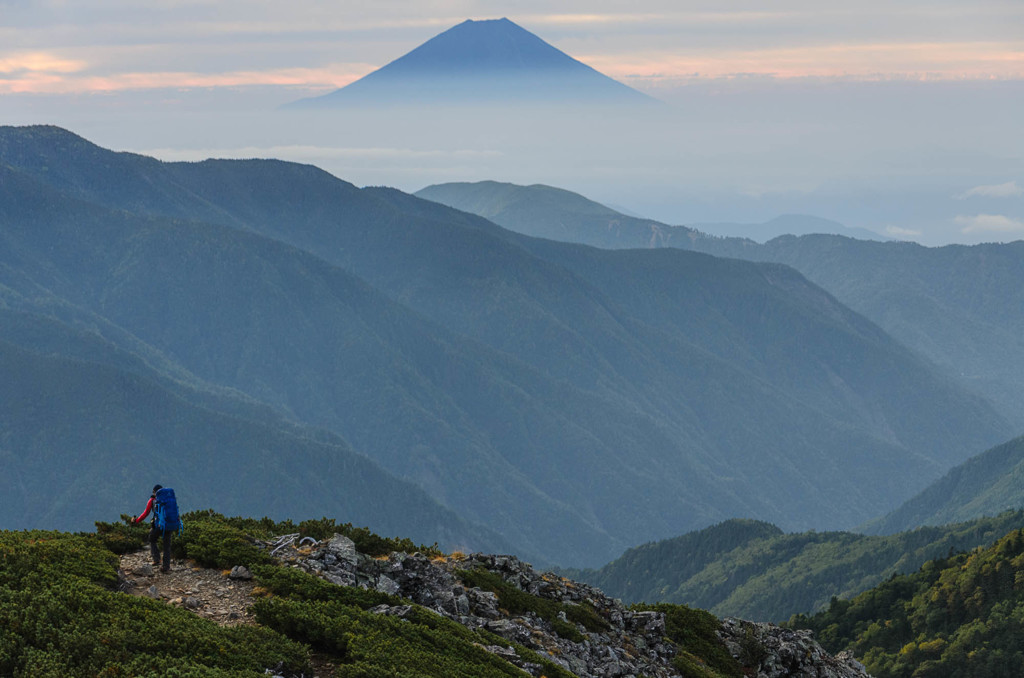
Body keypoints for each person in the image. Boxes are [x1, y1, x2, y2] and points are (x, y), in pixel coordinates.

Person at [133, 484, 173, 573]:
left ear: (155, 492)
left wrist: (136, 521)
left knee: (152, 539)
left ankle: (156, 559)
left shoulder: (152, 501)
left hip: (158, 525)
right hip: (169, 525)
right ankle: (166, 567)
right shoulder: (169, 499)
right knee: (167, 546)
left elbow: (145, 513)